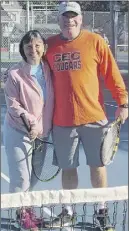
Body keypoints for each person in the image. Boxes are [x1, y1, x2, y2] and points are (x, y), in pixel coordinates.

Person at [46, 1, 128, 229]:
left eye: (73, 16)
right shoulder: (48, 46)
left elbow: (112, 73)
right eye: (64, 16)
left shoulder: (95, 42)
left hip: (94, 117)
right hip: (62, 121)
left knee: (97, 167)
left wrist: (123, 102)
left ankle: (101, 212)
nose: (69, 20)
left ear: (81, 18)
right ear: (58, 19)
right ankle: (68, 211)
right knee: (68, 169)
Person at [3, 30, 54, 230]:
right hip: (18, 131)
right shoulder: (15, 74)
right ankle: (20, 214)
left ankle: (27, 209)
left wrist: (43, 128)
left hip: (43, 134)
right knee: (21, 177)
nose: (33, 49)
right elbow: (13, 104)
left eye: (37, 45)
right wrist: (31, 122)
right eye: (28, 46)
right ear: (22, 50)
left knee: (34, 176)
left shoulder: (49, 69)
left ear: (44, 48)